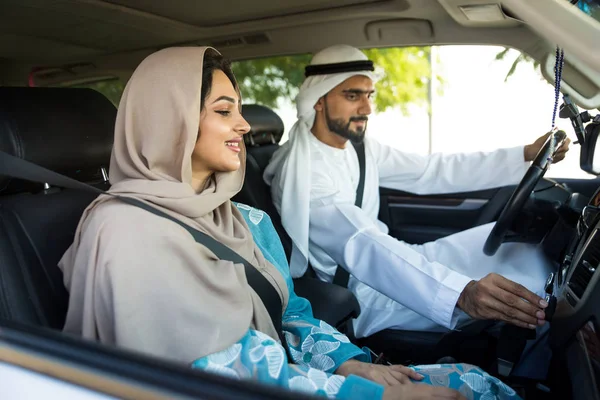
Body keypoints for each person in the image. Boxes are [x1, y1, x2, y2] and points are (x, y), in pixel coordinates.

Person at [57, 46, 520, 400]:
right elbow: (216, 373)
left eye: (239, 109)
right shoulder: (124, 232)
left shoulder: (241, 216)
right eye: (223, 111)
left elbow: (291, 314)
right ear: (169, 122)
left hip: (299, 374)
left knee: (476, 383)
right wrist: (375, 393)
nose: (242, 125)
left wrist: (350, 364)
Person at [263, 44, 571, 341]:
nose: (367, 108)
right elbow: (362, 244)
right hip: (363, 288)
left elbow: (430, 171)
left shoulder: (358, 147)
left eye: (369, 95)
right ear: (319, 99)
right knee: (532, 294)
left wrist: (525, 154)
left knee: (520, 249)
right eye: (352, 96)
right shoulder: (303, 173)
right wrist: (460, 293)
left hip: (391, 258)